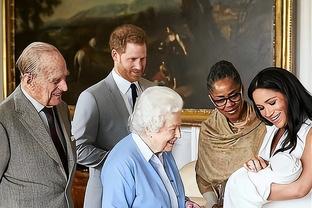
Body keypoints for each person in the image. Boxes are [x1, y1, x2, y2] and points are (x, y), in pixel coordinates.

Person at [72, 24, 154, 208]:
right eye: (132, 59)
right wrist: (120, 160)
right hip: (105, 195)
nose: (139, 66)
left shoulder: (153, 90)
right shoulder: (91, 97)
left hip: (147, 196)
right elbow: (78, 149)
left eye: (143, 59)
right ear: (115, 55)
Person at [0, 42, 76, 207]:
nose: (65, 87)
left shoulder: (62, 109)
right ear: (29, 80)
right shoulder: (3, 119)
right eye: (56, 80)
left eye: (65, 77)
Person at [224, 67, 312, 207]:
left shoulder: (309, 132)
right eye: (261, 108)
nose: (268, 113)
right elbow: (270, 174)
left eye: (272, 103)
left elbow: (301, 189)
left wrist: (243, 188)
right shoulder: (272, 131)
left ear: (289, 94)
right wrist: (256, 166)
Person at [101, 86, 200, 208]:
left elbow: (166, 195)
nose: (179, 134)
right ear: (149, 128)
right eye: (173, 129)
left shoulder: (164, 150)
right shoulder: (121, 164)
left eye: (179, 127)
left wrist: (185, 203)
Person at [195, 60, 266, 207]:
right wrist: (213, 204)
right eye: (220, 100)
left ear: (242, 89)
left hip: (259, 200)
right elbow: (203, 179)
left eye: (234, 96)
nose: (229, 105)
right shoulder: (209, 130)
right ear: (211, 98)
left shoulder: (263, 121)